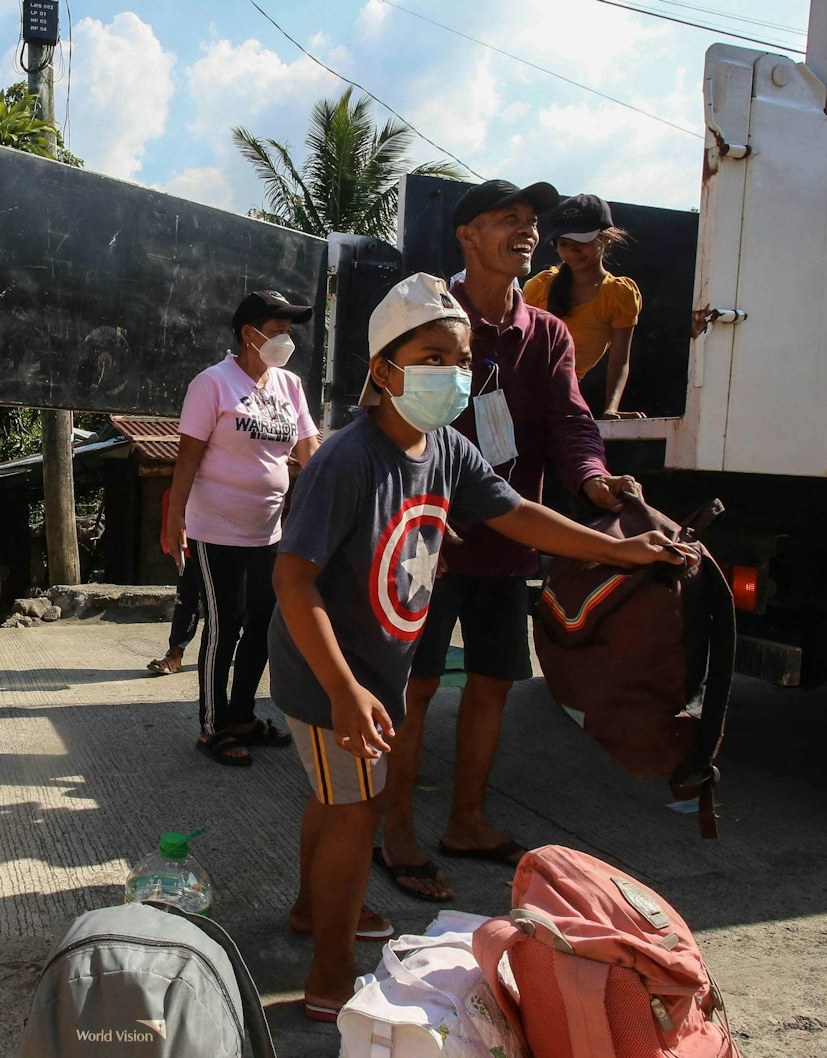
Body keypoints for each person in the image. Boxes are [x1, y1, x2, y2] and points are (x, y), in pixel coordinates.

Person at [270, 272, 686, 1020]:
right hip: (327, 668)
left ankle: (313, 910)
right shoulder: (349, 459)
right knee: (357, 812)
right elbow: (293, 580)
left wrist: (619, 551)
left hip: (371, 667)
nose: (453, 375)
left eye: (461, 361)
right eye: (433, 357)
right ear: (383, 369)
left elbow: (518, 514)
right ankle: (329, 978)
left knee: (335, 798)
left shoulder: (446, 450)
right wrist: (342, 689)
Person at [377, 180, 646, 902]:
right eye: (507, 220)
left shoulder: (548, 334)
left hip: (505, 538)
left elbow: (570, 423)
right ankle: (394, 830)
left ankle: (467, 820)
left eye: (531, 223)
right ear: (467, 235)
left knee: (493, 681)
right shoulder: (429, 314)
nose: (526, 232)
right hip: (424, 539)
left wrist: (593, 482)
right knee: (416, 687)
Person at [165, 289, 322, 766]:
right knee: (224, 625)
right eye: (276, 332)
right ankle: (211, 726)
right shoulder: (212, 384)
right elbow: (188, 458)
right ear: (247, 333)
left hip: (270, 532)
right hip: (217, 531)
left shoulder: (289, 386)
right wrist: (174, 521)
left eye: (288, 333)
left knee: (262, 626)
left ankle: (241, 716)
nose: (284, 341)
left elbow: (308, 452)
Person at [524, 194, 643, 419]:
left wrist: (611, 409)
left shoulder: (619, 294)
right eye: (564, 245)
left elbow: (619, 361)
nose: (572, 252)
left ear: (605, 238)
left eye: (582, 243)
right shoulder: (541, 286)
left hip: (564, 398)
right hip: (522, 391)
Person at [146, 485, 202, 676]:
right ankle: (175, 656)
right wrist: (173, 548)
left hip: (227, 552)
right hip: (191, 555)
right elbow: (168, 526)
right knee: (185, 603)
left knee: (231, 610)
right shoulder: (175, 492)